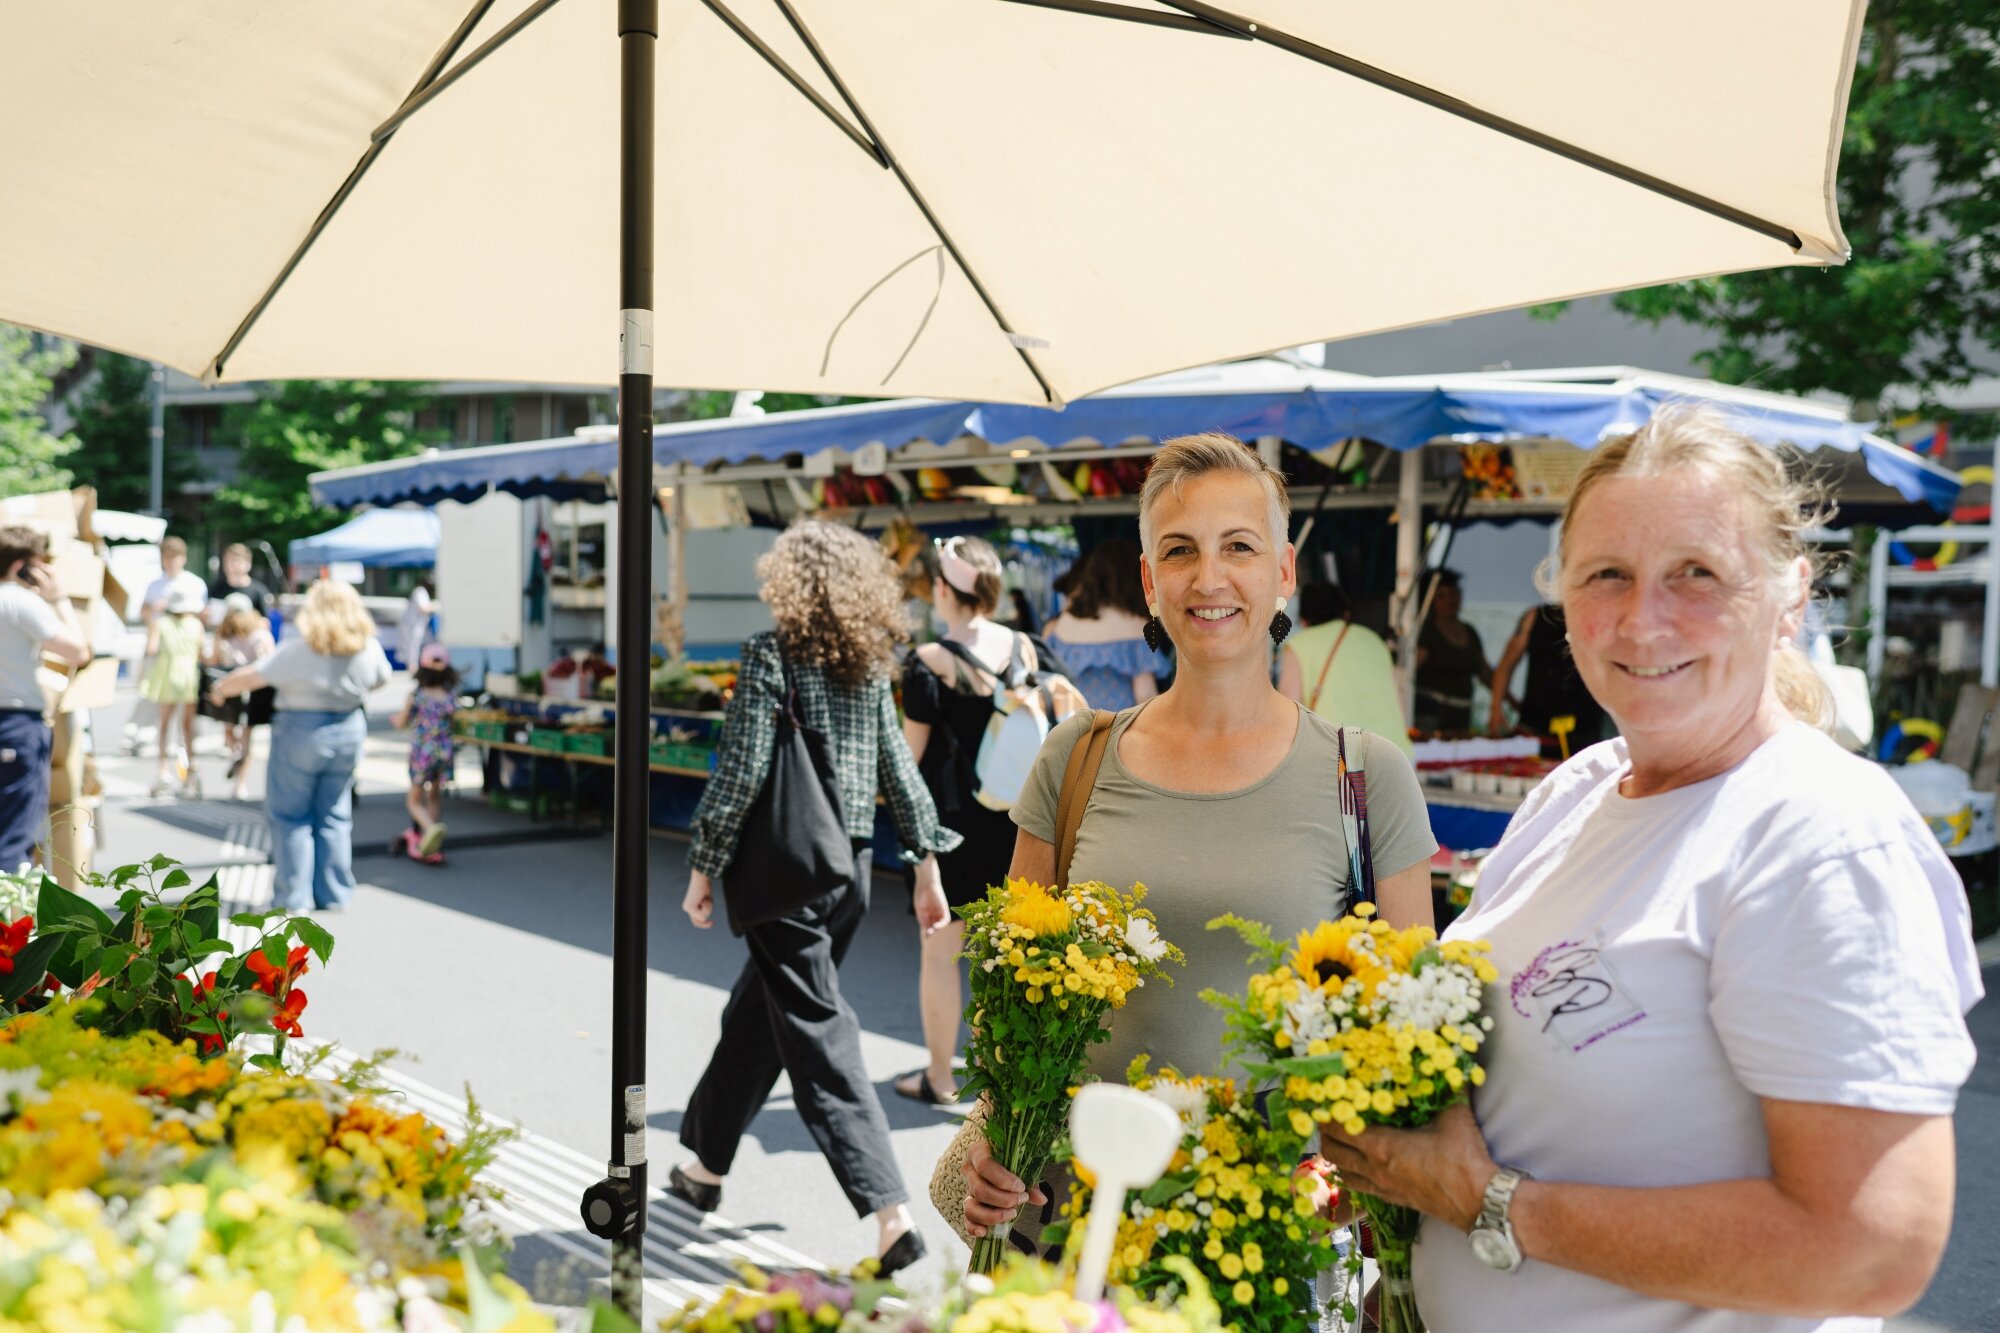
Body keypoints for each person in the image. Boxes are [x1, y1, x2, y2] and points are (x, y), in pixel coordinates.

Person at [1315, 407, 1982, 1332]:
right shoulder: (1581, 790)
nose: (1642, 619)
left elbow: (1868, 1248)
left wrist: (1494, 1203)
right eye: (1608, 576)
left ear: (1791, 594)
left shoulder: (1818, 839)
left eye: (1696, 573)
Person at [958, 432, 1438, 1243]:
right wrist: (993, 1146)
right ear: (1150, 582)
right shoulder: (1074, 758)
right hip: (1074, 1233)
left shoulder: (1366, 777)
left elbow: (1411, 1051)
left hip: (1269, 1252)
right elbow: (1012, 1000)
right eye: (1179, 550)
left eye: (1239, 547)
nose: (1209, 578)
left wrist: (1323, 1202)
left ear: (1283, 573)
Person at [674, 519, 961, 1277]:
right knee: (760, 1015)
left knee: (818, 1036)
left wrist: (703, 864)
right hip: (849, 876)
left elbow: (739, 774)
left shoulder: (771, 655)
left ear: (788, 582)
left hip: (784, 874)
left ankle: (889, 1210)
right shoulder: (868, 664)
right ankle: (702, 1169)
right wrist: (927, 863)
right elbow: (901, 767)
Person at [894, 535, 1044, 1107]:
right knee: (1004, 954)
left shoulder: (930, 663)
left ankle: (939, 1077)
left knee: (941, 951)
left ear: (941, 588)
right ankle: (996, 1081)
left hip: (951, 824)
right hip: (1018, 821)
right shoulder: (1025, 650)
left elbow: (911, 765)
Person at [212, 580, 390, 913]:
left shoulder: (300, 648)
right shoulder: (368, 647)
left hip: (300, 731)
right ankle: (334, 894)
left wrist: (222, 688)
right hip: (349, 729)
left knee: (291, 817)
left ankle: (293, 898)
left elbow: (254, 676)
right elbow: (382, 679)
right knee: (335, 815)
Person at [0, 525, 89, 874]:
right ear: (24, 566)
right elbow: (78, 651)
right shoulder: (22, 602)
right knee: (13, 838)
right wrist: (59, 598)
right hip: (17, 726)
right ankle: (10, 926)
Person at [1278, 581, 1411, 756]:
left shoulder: (1300, 645)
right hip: (1396, 755)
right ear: (1346, 613)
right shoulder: (1375, 641)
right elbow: (1398, 703)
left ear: (1303, 620)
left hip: (1342, 758)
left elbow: (1287, 715)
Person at [1042, 537, 1170, 712]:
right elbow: (1144, 695)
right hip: (1117, 730)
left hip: (1071, 729)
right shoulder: (1136, 626)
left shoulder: (1061, 624)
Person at [1487, 602, 1609, 756]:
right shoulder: (1535, 616)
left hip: (1584, 732)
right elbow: (1505, 666)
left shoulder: (1604, 619)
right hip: (1534, 728)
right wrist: (1496, 707)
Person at [128, 535, 206, 756]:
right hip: (162, 648)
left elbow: (202, 615)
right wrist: (155, 608)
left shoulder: (194, 583)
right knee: (155, 705)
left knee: (182, 718)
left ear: (183, 558)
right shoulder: (155, 585)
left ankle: (181, 759)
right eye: (167, 558)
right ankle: (140, 735)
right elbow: (143, 613)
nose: (170, 562)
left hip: (184, 651)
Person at [391, 643, 458, 863]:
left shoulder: (417, 695)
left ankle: (429, 829)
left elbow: (402, 722)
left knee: (414, 800)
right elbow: (452, 722)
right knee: (434, 796)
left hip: (423, 754)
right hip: (444, 752)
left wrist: (396, 720)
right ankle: (432, 840)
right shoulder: (449, 697)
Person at [141, 584, 205, 798]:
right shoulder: (196, 625)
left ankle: (163, 771)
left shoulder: (161, 623)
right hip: (188, 678)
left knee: (164, 726)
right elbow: (203, 653)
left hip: (167, 676)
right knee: (187, 728)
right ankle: (189, 772)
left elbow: (151, 648)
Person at [208, 595, 276, 801]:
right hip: (253, 691)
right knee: (247, 737)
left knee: (229, 731)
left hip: (228, 690)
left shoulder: (223, 635)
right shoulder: (260, 634)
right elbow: (269, 662)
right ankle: (241, 783)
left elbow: (214, 661)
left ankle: (236, 754)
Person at [1413, 568, 1490, 734]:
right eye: (1442, 595)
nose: (1450, 600)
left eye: (1454, 593)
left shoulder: (1470, 631)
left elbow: (1485, 673)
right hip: (1431, 718)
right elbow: (1410, 671)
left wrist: (1511, 702)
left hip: (1462, 717)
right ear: (1430, 599)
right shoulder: (1426, 631)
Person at [206, 542, 272, 618]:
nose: (230, 565)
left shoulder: (258, 591)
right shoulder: (215, 588)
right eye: (227, 561)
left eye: (235, 561)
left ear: (248, 564)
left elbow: (265, 621)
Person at [398, 578, 434, 671]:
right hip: (413, 625)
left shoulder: (421, 591)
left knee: (417, 645)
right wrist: (435, 607)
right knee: (413, 646)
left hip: (417, 624)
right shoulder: (420, 591)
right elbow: (422, 608)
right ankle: (412, 668)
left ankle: (415, 667)